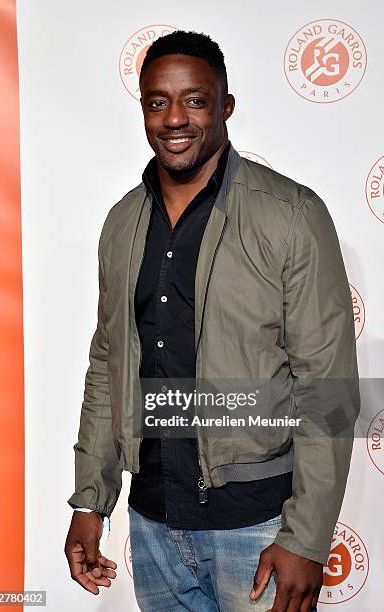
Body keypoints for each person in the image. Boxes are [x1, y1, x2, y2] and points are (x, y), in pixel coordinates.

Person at [64, 30, 359, 612]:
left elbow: (328, 385)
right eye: (157, 101)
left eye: (194, 99)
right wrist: (89, 501)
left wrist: (308, 536)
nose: (175, 118)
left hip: (258, 530)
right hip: (151, 526)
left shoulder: (292, 215)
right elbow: (107, 365)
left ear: (224, 104)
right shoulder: (122, 223)